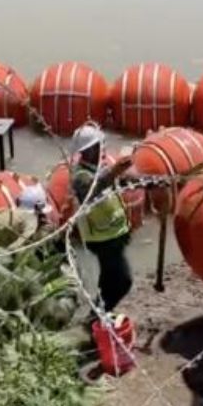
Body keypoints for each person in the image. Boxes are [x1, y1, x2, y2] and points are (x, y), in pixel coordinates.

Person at [69, 123, 134, 313]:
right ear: (87, 150)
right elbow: (92, 190)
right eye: (97, 146)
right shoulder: (80, 176)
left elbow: (118, 180)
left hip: (111, 235)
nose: (101, 149)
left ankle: (97, 318)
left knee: (108, 281)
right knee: (123, 281)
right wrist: (114, 171)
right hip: (102, 239)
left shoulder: (99, 168)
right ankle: (98, 318)